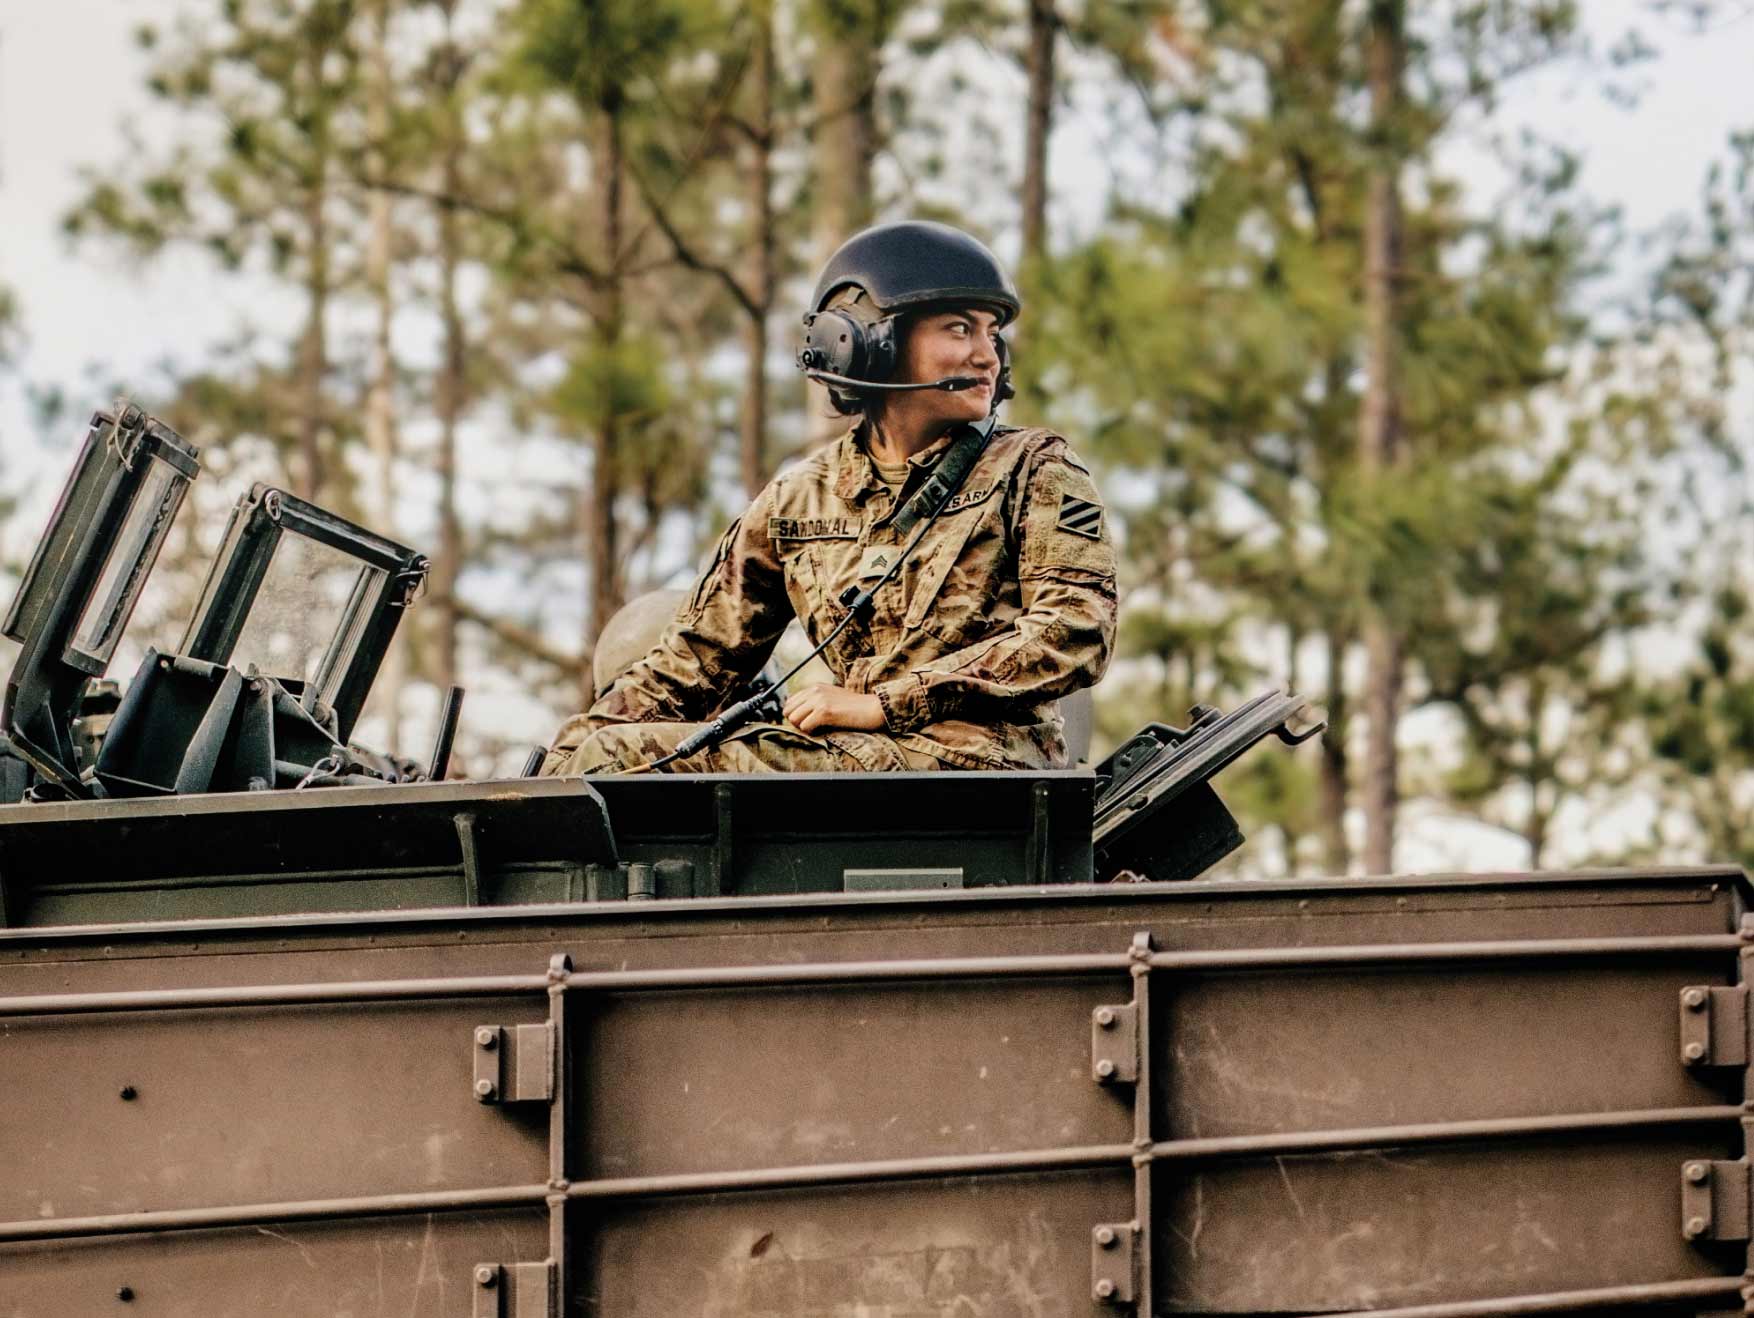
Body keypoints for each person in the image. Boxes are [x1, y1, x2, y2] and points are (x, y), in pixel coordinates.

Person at [543, 219, 1116, 774]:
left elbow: (1076, 628)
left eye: (992, 333)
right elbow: (693, 661)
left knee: (622, 761)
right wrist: (563, 756)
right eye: (960, 329)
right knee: (604, 754)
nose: (988, 356)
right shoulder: (799, 499)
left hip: (980, 768)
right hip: (855, 767)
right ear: (871, 342)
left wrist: (887, 704)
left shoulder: (1034, 468)